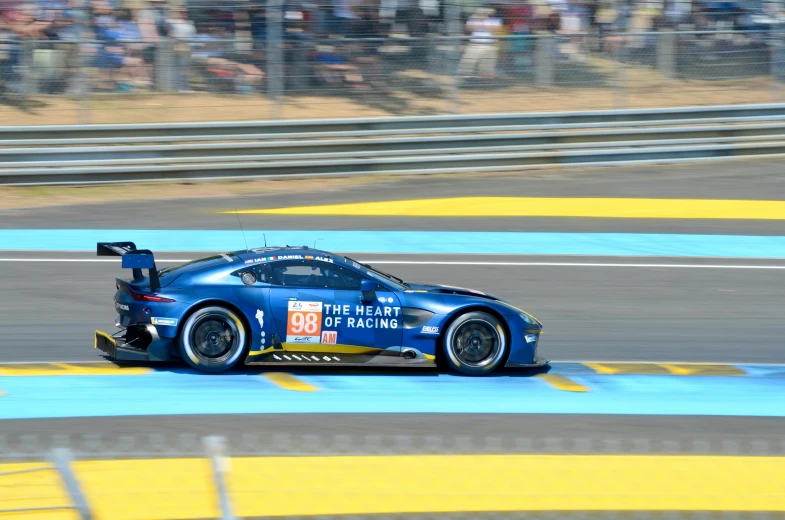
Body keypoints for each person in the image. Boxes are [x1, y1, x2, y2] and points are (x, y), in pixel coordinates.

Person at [458, 7, 502, 79]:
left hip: (490, 44)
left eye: (486, 13)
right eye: (481, 13)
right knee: (469, 60)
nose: (483, 14)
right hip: (475, 43)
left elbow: (496, 29)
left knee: (488, 62)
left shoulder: (494, 19)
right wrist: (479, 22)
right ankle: (464, 77)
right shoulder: (473, 19)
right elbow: (468, 28)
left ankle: (485, 78)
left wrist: (482, 23)